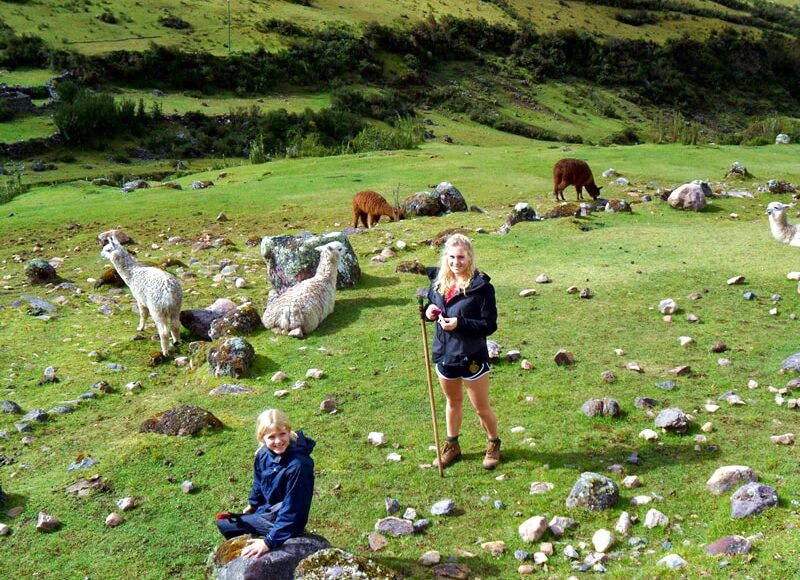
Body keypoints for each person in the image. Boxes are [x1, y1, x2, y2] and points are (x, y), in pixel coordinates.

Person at [424, 233, 500, 470]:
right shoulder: (438, 283)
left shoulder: (482, 288)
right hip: (445, 354)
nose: (456, 262)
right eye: (451, 257)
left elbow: (490, 325)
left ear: (470, 258)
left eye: (461, 258)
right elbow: (431, 306)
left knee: (480, 407)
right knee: (452, 401)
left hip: (472, 356)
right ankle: (452, 445)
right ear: (445, 257)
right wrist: (428, 313)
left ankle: (493, 443)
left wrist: (460, 323)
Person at [216, 409, 315, 558]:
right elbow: (259, 482)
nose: (278, 441)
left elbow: (294, 509)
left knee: (225, 525)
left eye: (282, 434)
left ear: (289, 431)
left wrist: (269, 542)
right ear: (262, 438)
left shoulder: (299, 466)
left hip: (284, 518)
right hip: (267, 510)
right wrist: (253, 504)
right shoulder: (263, 453)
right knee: (226, 521)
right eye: (271, 437)